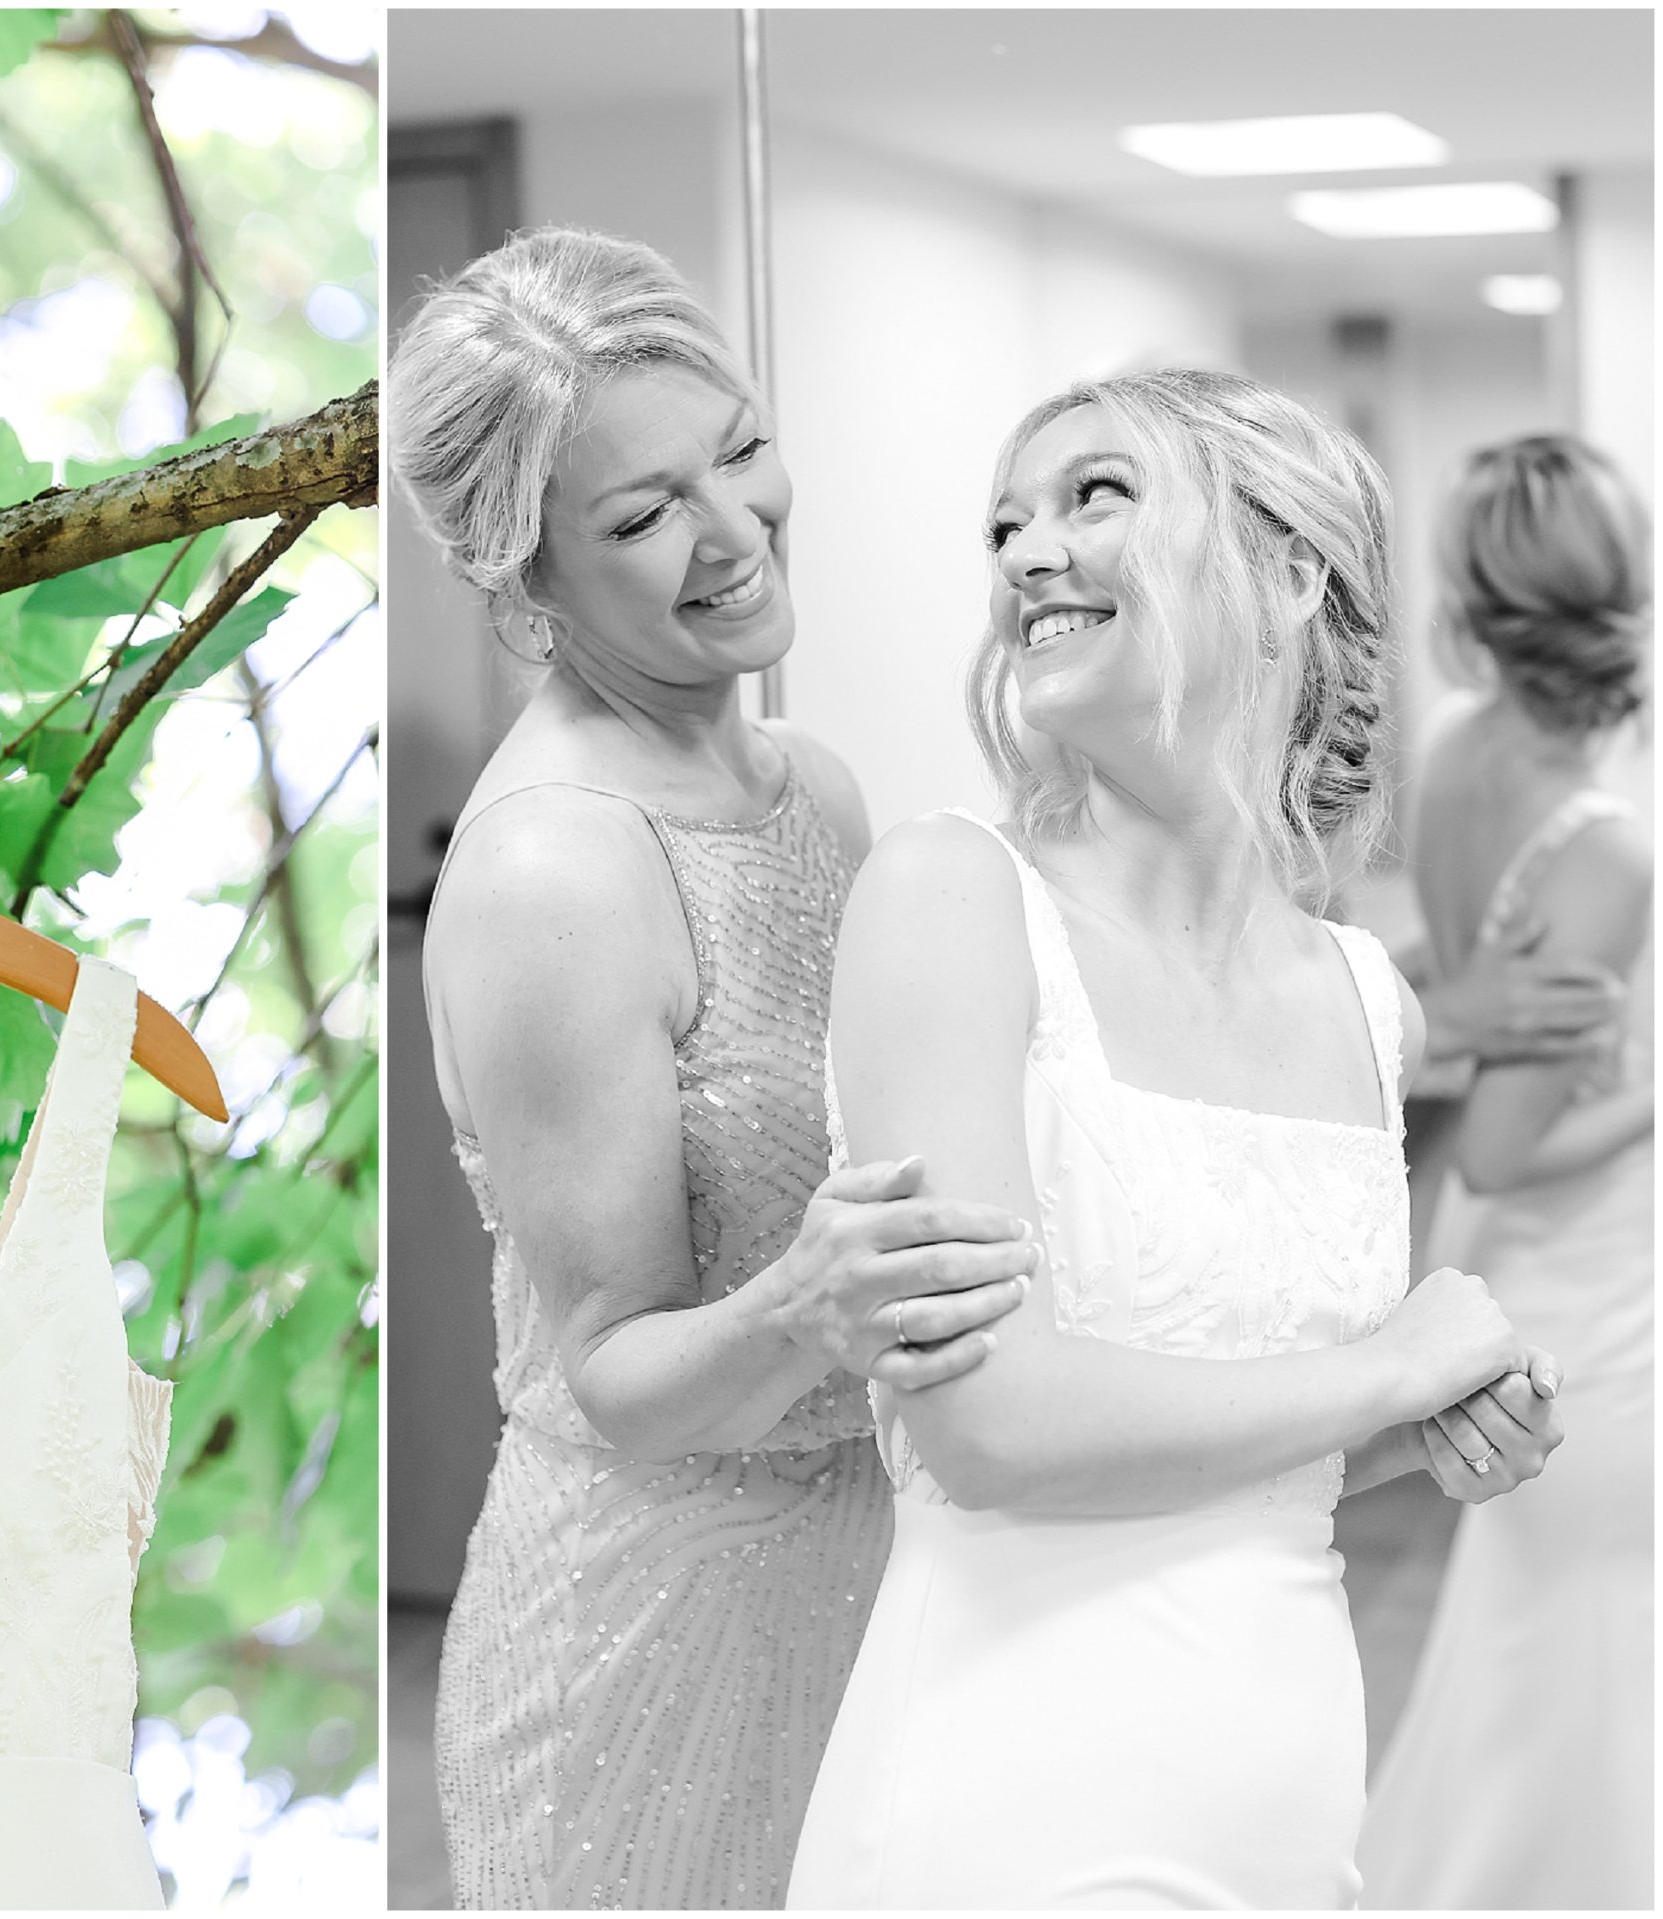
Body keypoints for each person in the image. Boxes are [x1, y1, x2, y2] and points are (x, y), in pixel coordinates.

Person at [785, 370, 1567, 1908]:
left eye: (1096, 496)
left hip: (1279, 1805)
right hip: (1004, 1799)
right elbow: (990, 1426)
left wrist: (1441, 1429)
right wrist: (1397, 1367)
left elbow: (1255, 1437)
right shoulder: (951, 901)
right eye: (1005, 523)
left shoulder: (1358, 991)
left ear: (1287, 574)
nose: (1025, 556)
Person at [390, 227, 1044, 1908]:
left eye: (738, 450)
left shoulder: (814, 791)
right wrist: (797, 1314)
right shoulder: (558, 874)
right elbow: (606, 1362)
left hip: (882, 1584)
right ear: (522, 578)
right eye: (641, 515)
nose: (734, 529)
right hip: (648, 1638)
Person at [1359, 434, 1653, 1909]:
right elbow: (1512, 1140)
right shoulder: (1603, 845)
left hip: (1527, 1267)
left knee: (1543, 1635)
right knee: (1589, 1635)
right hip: (1595, 1278)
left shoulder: (1465, 751)